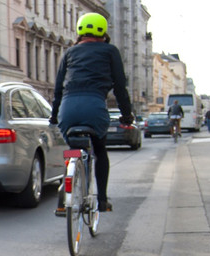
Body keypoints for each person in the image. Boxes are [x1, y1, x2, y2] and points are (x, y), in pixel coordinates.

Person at [49, 13, 134, 212]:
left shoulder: (69, 52)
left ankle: (64, 197)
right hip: (94, 107)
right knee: (100, 151)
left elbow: (58, 88)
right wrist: (127, 115)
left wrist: (54, 116)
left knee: (71, 151)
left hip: (68, 110)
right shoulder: (110, 51)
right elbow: (120, 87)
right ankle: (102, 201)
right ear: (103, 32)